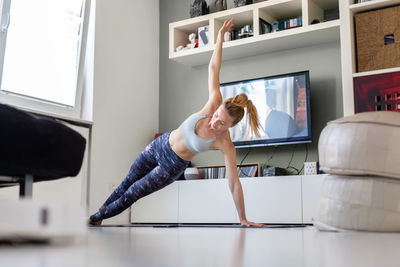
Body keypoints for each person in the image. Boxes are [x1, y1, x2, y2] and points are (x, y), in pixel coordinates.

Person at [89, 18, 264, 227]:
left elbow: (234, 183)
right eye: (217, 115)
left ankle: (92, 220)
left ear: (231, 127)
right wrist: (219, 39)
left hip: (171, 166)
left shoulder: (225, 143)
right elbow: (213, 68)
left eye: (221, 123)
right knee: (127, 182)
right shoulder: (214, 102)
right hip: (159, 145)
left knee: (133, 193)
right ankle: (99, 216)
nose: (214, 122)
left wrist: (243, 218)